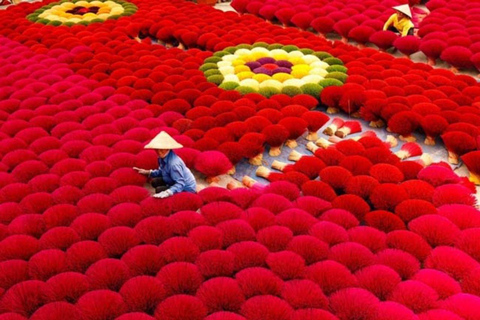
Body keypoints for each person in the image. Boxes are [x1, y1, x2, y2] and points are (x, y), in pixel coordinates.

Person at [134, 131, 196, 199]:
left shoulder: (174, 164)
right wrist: (148, 172)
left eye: (162, 149)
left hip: (186, 188)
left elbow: (180, 183)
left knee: (159, 190)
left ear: (168, 148)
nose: (159, 152)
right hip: (172, 179)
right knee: (154, 182)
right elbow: (162, 171)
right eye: (157, 149)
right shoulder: (162, 157)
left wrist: (168, 192)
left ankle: (175, 196)